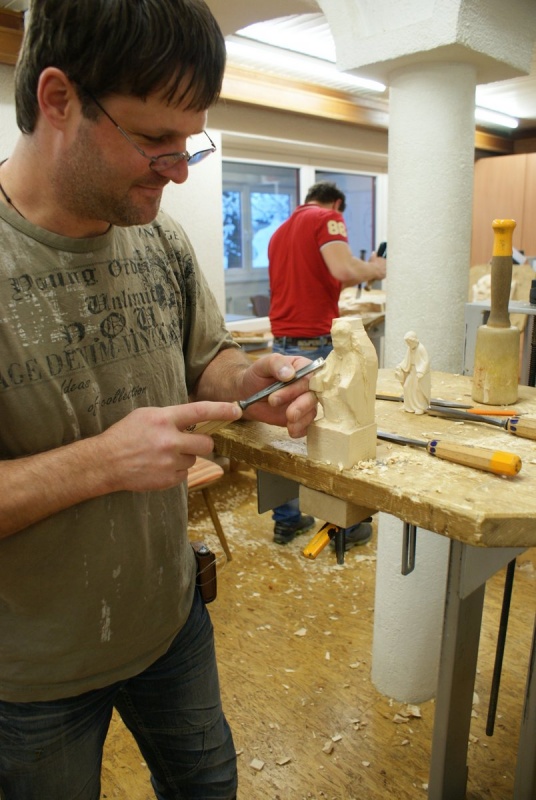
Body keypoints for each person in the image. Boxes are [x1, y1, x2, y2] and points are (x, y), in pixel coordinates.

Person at [0, 2, 318, 798]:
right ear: (58, 99)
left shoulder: (158, 235)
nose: (178, 171)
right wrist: (102, 463)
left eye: (190, 144)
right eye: (154, 141)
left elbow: (203, 360)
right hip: (28, 675)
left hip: (171, 621)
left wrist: (248, 385)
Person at [268, 181, 386, 546]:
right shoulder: (327, 218)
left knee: (286, 432)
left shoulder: (279, 232)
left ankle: (287, 520)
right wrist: (376, 268)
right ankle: (342, 528)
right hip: (315, 342)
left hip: (282, 342)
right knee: (340, 426)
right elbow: (344, 268)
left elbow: (316, 278)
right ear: (336, 203)